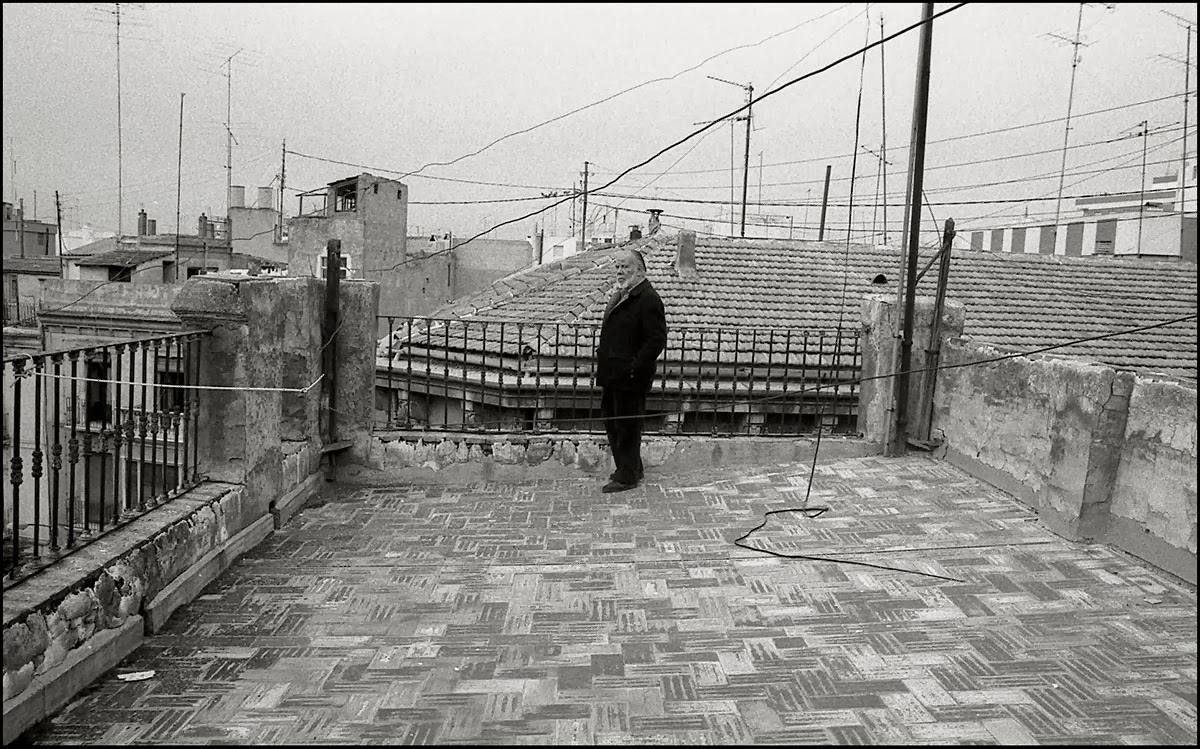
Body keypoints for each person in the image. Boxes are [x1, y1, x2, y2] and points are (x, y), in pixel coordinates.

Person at [595, 248, 668, 493]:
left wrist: (634, 368)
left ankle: (627, 477)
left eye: (625, 267)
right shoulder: (624, 294)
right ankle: (630, 468)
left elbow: (656, 340)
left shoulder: (648, 298)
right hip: (614, 375)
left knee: (626, 427)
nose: (619, 271)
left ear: (640, 269)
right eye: (617, 267)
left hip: (629, 378)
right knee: (615, 424)